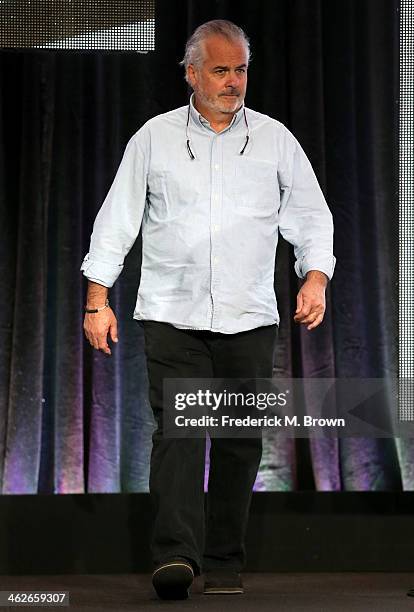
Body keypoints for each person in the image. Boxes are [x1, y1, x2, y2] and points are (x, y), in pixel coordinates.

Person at [80, 19, 335, 600]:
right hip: (173, 313)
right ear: (192, 73)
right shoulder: (154, 138)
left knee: (240, 440)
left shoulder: (274, 140)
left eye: (240, 69)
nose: (232, 81)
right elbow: (115, 221)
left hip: (248, 315)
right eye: (220, 70)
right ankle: (176, 557)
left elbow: (312, 219)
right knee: (180, 434)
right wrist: (98, 299)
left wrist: (315, 278)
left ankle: (223, 560)